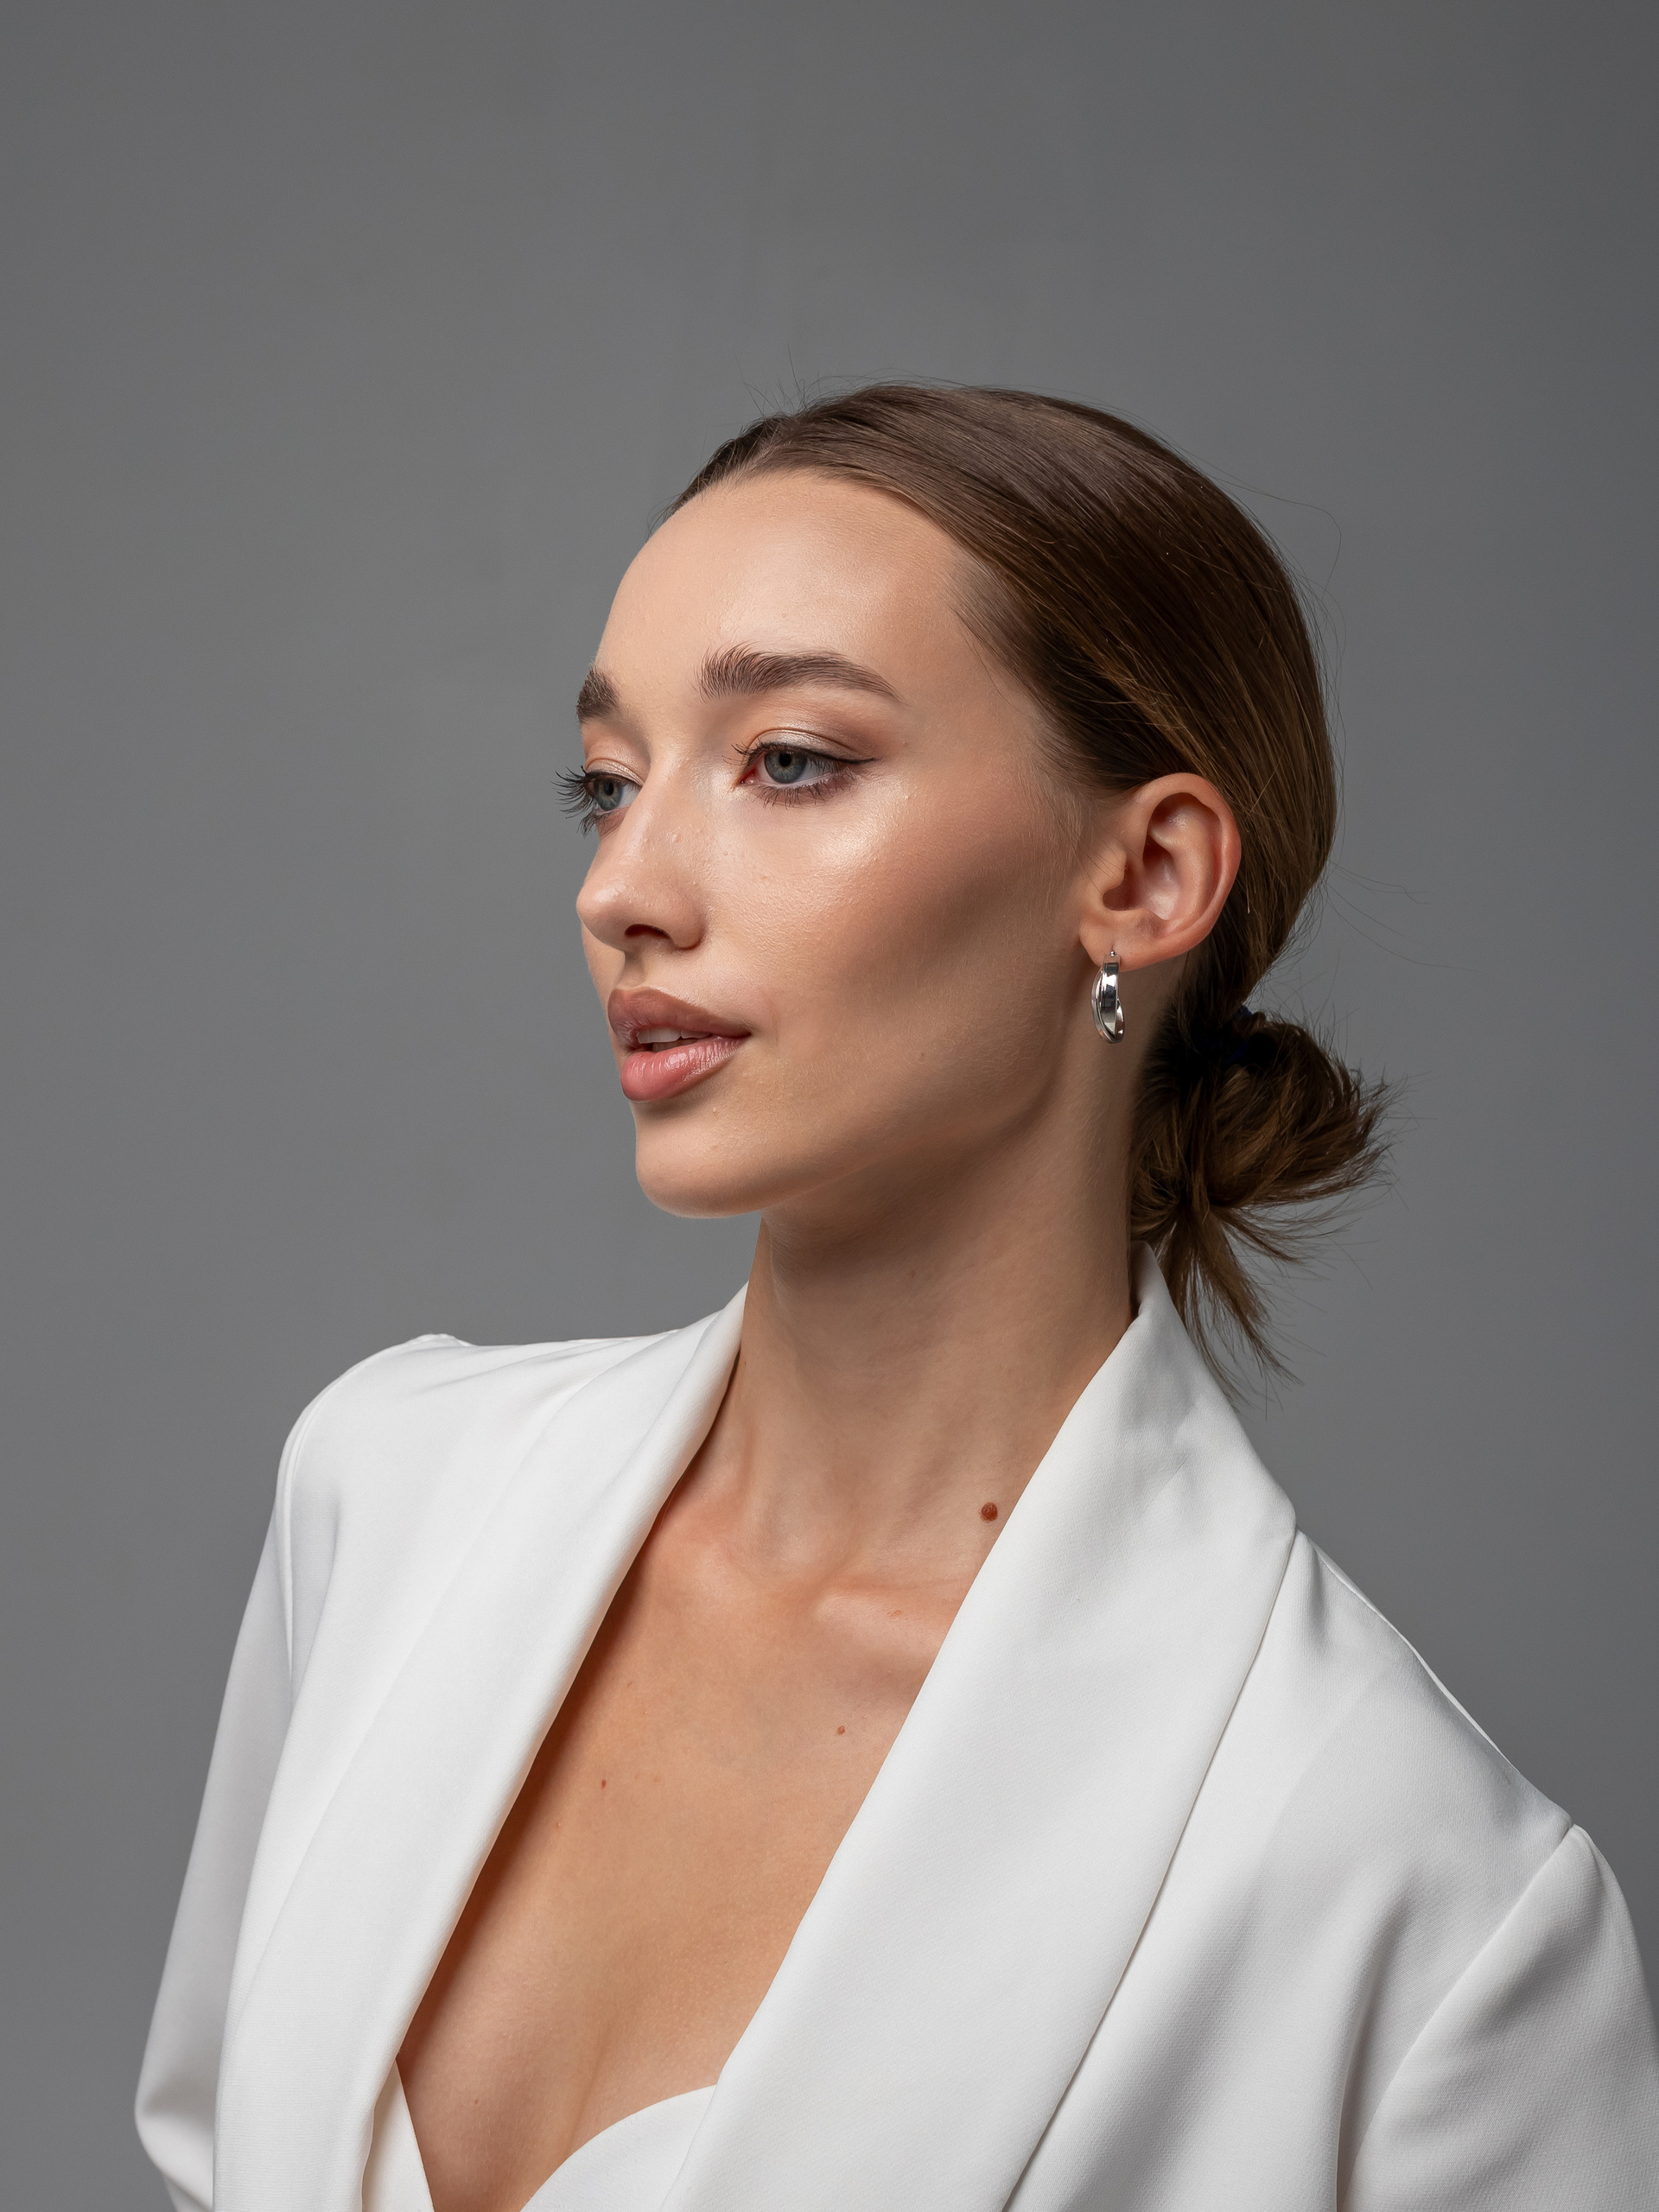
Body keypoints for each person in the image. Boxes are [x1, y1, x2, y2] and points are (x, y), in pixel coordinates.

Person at [136, 386, 1659, 2212]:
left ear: (1146, 873)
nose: (622, 886)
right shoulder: (385, 1495)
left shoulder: (1419, 1903)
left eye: (788, 760)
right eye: (609, 780)